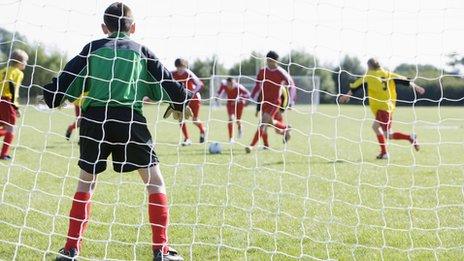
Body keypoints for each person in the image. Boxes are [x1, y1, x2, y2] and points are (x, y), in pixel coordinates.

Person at [43, 3, 190, 260]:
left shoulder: (93, 48)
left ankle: (70, 249)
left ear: (104, 28)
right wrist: (181, 101)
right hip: (129, 119)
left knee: (86, 182)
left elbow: (60, 88)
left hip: (93, 120)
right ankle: (162, 250)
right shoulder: (141, 50)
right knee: (154, 181)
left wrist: (52, 94)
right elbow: (168, 83)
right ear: (133, 27)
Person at [339, 58, 425, 159]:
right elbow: (404, 80)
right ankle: (384, 153)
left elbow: (356, 86)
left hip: (381, 109)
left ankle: (410, 137)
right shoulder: (388, 74)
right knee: (375, 127)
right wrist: (417, 87)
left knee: (388, 134)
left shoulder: (369, 76)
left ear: (369, 66)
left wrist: (346, 96)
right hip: (387, 107)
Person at [246, 51, 295, 152]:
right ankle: (285, 128)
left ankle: (251, 146)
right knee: (270, 123)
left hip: (274, 102)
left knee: (263, 122)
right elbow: (256, 86)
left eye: (271, 61)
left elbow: (290, 85)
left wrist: (290, 100)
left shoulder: (280, 72)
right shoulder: (262, 71)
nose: (268, 62)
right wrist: (251, 98)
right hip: (264, 102)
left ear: (276, 61)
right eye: (267, 60)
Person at [0, 49, 28, 160]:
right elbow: (12, 86)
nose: (26, 63)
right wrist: (15, 106)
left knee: (4, 127)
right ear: (19, 62)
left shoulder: (3, 70)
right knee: (11, 128)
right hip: (8, 101)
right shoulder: (18, 73)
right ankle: (4, 154)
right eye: (25, 61)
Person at [171, 58, 205, 146]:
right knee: (180, 118)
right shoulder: (172, 74)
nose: (180, 69)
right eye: (178, 67)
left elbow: (200, 84)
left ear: (185, 66)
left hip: (195, 99)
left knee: (195, 120)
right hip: (182, 100)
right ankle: (187, 139)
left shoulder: (188, 73)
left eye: (182, 67)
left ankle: (202, 130)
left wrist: (191, 94)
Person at [216, 77, 250, 142]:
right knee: (231, 119)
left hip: (239, 104)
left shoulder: (239, 87)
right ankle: (231, 138)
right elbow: (219, 91)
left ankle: (240, 127)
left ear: (234, 83)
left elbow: (248, 94)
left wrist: (239, 98)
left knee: (238, 120)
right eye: (228, 84)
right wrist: (217, 96)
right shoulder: (224, 85)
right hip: (230, 104)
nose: (230, 86)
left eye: (232, 84)